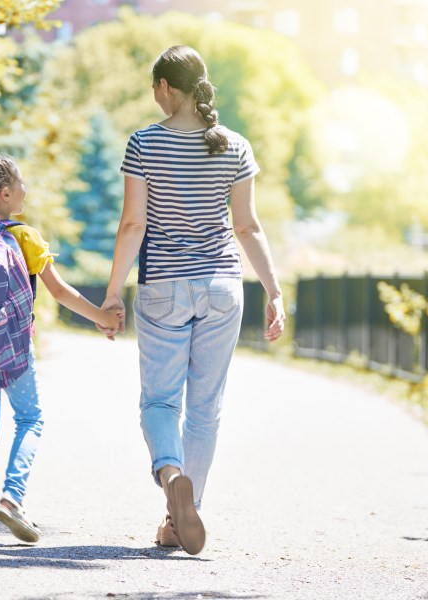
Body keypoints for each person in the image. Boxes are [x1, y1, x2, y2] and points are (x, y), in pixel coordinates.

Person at [101, 46, 286, 555]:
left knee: (160, 401)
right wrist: (274, 290)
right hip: (224, 287)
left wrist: (113, 293)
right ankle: (183, 515)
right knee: (205, 409)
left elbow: (133, 224)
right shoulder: (236, 146)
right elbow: (247, 226)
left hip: (163, 286)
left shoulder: (144, 143)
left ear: (165, 88)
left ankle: (171, 476)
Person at [0, 156, 120, 544]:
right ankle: (11, 499)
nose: (26, 189)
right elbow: (60, 292)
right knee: (30, 418)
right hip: (14, 346)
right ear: (6, 194)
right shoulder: (24, 235)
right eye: (21, 183)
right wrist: (103, 317)